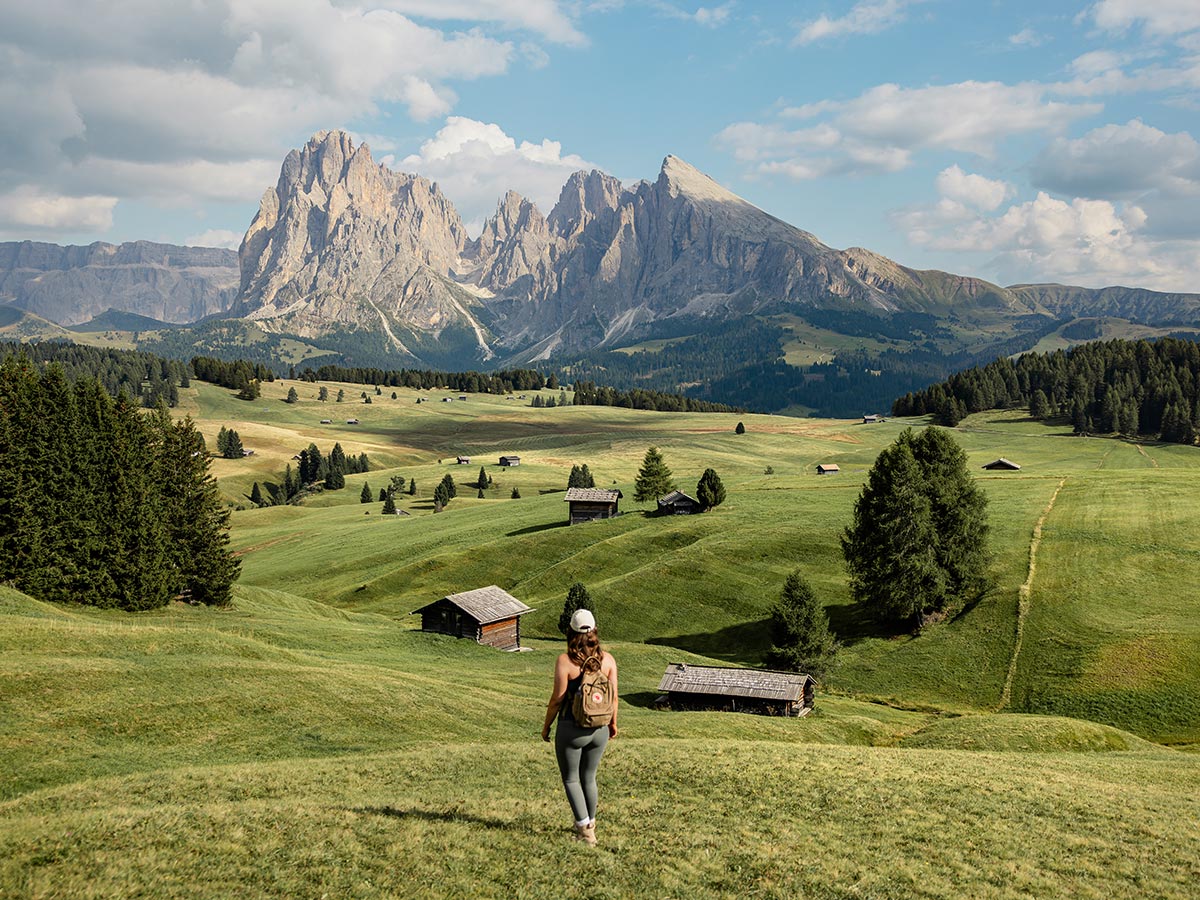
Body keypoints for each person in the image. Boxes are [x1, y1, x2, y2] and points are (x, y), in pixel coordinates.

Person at [541, 608, 619, 846]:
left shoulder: (565, 662)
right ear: (595, 631)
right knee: (589, 777)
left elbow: (557, 698)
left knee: (571, 779)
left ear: (571, 632)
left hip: (571, 728)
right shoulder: (608, 660)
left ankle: (585, 831)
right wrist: (613, 724)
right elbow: (614, 696)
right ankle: (590, 822)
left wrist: (546, 726)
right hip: (600, 730)